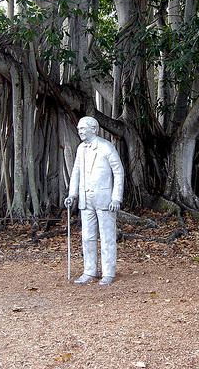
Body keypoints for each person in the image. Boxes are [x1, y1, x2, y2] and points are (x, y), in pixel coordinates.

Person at [64, 116, 124, 285]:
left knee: (107, 237)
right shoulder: (80, 149)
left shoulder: (106, 147)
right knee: (87, 237)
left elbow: (118, 172)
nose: (80, 132)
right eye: (79, 129)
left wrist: (116, 198)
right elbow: (75, 172)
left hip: (105, 199)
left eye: (83, 129)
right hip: (86, 199)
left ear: (94, 129)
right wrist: (72, 194)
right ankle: (89, 270)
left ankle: (108, 272)